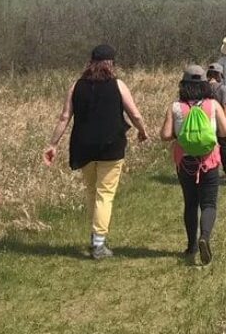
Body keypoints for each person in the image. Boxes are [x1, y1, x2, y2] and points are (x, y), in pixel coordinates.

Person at [42, 44, 150, 259]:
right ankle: (99, 243)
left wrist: (52, 144)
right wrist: (142, 131)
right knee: (105, 194)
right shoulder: (118, 85)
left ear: (90, 62)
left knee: (92, 192)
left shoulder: (76, 86)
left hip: (83, 146)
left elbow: (64, 117)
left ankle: (95, 236)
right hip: (111, 146)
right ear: (111, 63)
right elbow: (135, 114)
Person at [159, 66, 226, 266]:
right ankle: (205, 237)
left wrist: (180, 133)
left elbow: (165, 135)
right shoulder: (213, 105)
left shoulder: (175, 107)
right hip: (208, 161)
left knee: (190, 203)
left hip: (185, 163)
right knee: (209, 203)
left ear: (183, 85)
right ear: (204, 84)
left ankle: (191, 245)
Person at [206, 63, 226, 179]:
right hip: (220, 121)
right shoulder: (224, 89)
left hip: (206, 122)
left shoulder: (204, 89)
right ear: (220, 75)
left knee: (208, 146)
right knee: (223, 146)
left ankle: (209, 168)